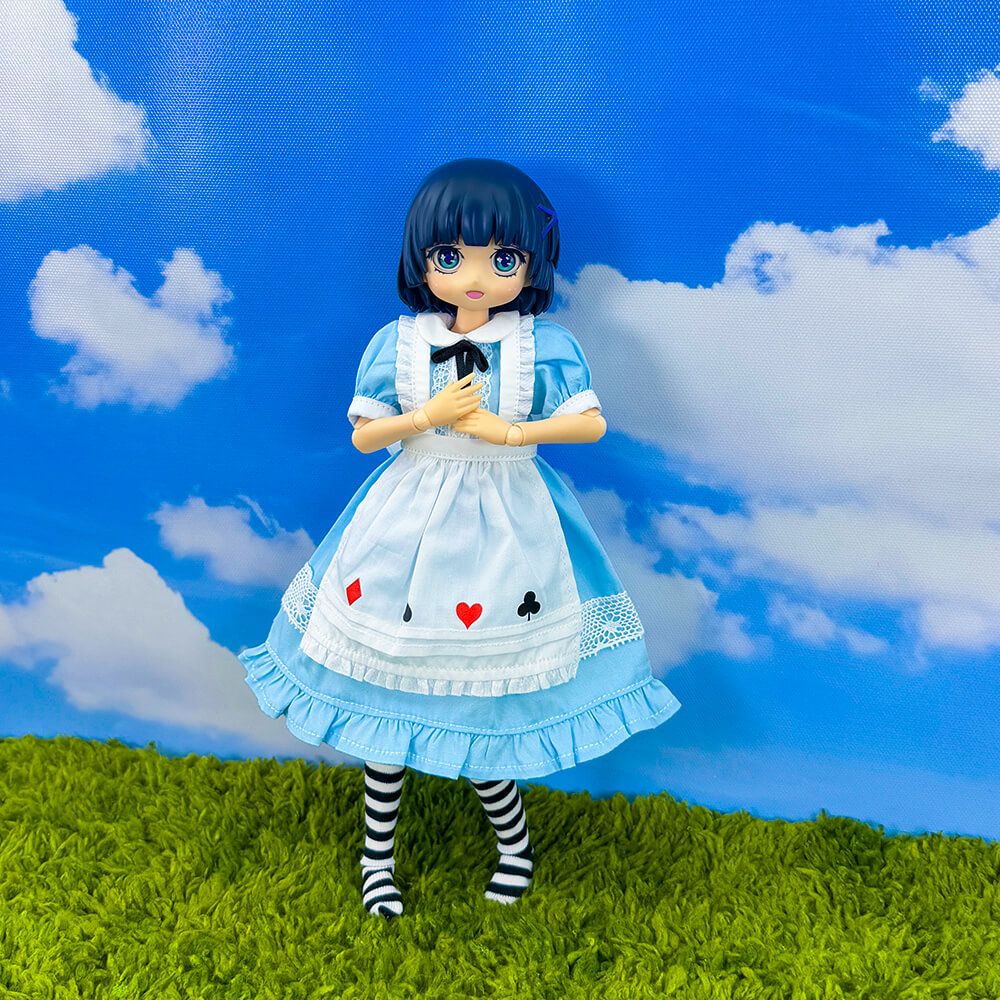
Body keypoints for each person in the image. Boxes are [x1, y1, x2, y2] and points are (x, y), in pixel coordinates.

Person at [239, 158, 681, 919]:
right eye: (451, 256)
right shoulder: (398, 345)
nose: (475, 277)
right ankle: (377, 859)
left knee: (485, 710)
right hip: (403, 527)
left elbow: (590, 423)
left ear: (531, 264)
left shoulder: (542, 346)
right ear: (423, 260)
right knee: (384, 704)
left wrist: (512, 433)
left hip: (509, 529)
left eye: (502, 260)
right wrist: (426, 417)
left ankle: (515, 846)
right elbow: (364, 434)